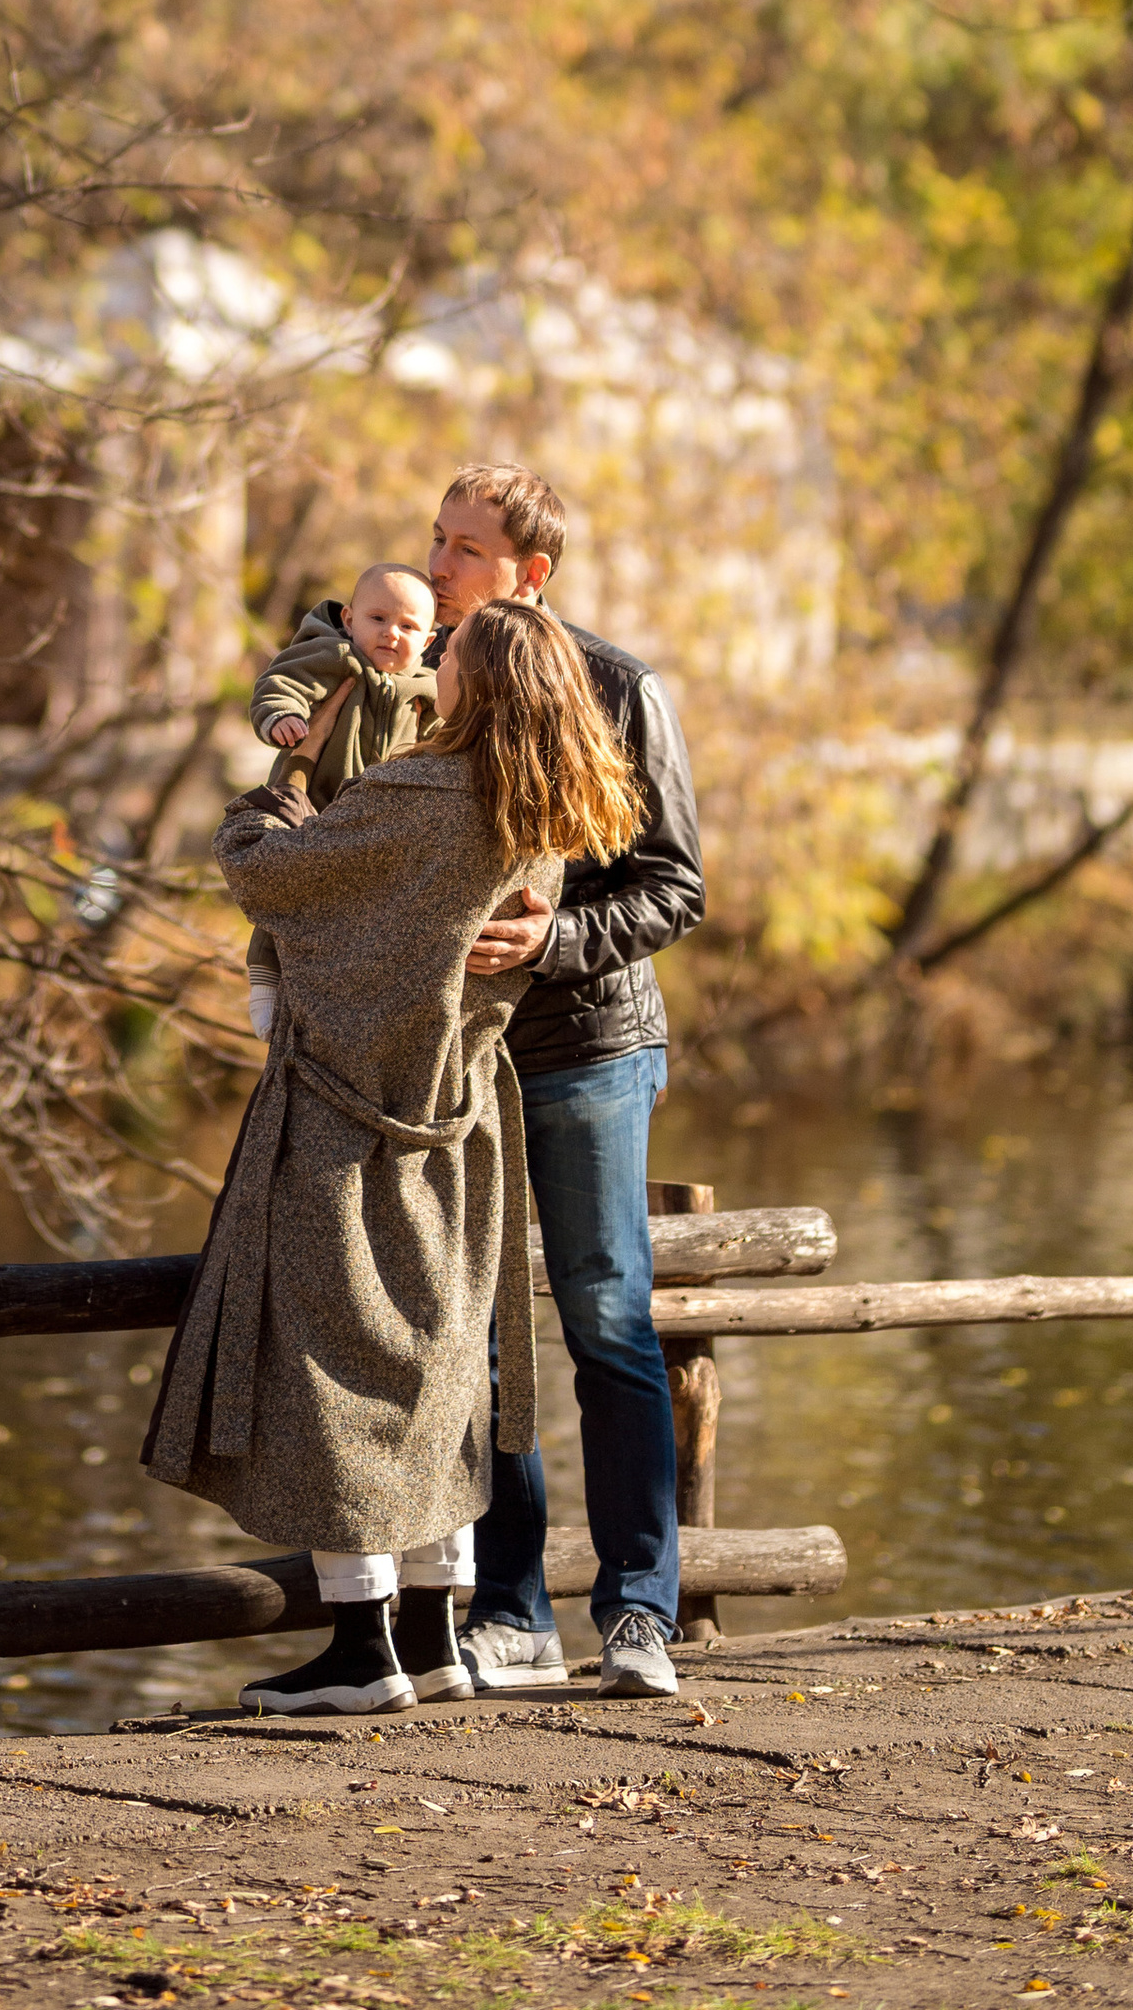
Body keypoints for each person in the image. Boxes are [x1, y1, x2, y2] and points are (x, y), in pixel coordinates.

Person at [142, 596, 642, 1718]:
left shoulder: (422, 792)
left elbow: (272, 878)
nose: (435, 666)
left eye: (451, 655)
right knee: (435, 1375)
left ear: (482, 682)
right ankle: (432, 1642)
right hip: (458, 1124)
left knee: (334, 1373)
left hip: (346, 1117)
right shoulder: (543, 810)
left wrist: (282, 784)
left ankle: (361, 1651)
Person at [428, 463, 706, 1703]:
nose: (440, 567)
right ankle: (511, 1615)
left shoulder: (617, 688)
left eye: (466, 549)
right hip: (459, 1062)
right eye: (435, 541)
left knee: (604, 1324)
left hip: (591, 1047)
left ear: (531, 575)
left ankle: (640, 1614)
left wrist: (552, 942)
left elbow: (674, 886)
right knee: (483, 1344)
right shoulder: (412, 679)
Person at [240, 563, 438, 1038]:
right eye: (378, 619)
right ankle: (265, 972)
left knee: (361, 908)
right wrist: (281, 717)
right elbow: (280, 683)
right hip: (315, 801)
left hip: (380, 824)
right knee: (291, 886)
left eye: (409, 626)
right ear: (349, 620)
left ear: (429, 641)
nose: (392, 633)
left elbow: (441, 742)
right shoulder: (333, 658)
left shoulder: (428, 691)